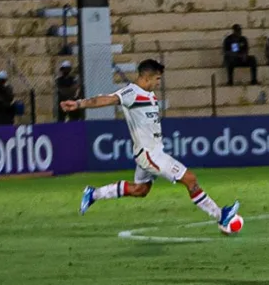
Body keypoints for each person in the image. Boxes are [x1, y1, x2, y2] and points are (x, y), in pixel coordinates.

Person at [60, 59, 240, 231]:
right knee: (190, 179)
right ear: (146, 77)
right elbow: (104, 99)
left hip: (151, 152)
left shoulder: (150, 96)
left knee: (140, 190)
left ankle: (93, 194)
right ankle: (220, 215)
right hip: (150, 155)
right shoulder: (131, 93)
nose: (158, 83)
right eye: (157, 79)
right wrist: (78, 104)